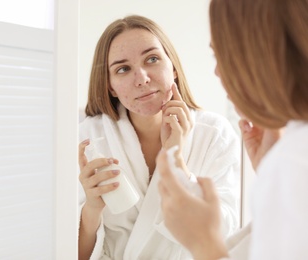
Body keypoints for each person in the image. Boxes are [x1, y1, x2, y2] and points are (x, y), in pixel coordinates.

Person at [78, 15, 241, 260]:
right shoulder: (89, 137)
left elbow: (222, 238)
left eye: (152, 59)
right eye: (123, 69)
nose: (142, 78)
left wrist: (176, 162)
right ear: (110, 85)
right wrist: (91, 208)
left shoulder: (214, 134)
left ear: (173, 67)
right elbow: (71, 252)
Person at [157, 0, 308, 259]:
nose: (217, 71)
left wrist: (204, 244)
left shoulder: (291, 158)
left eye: (221, 55)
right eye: (122, 68)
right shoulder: (291, 154)